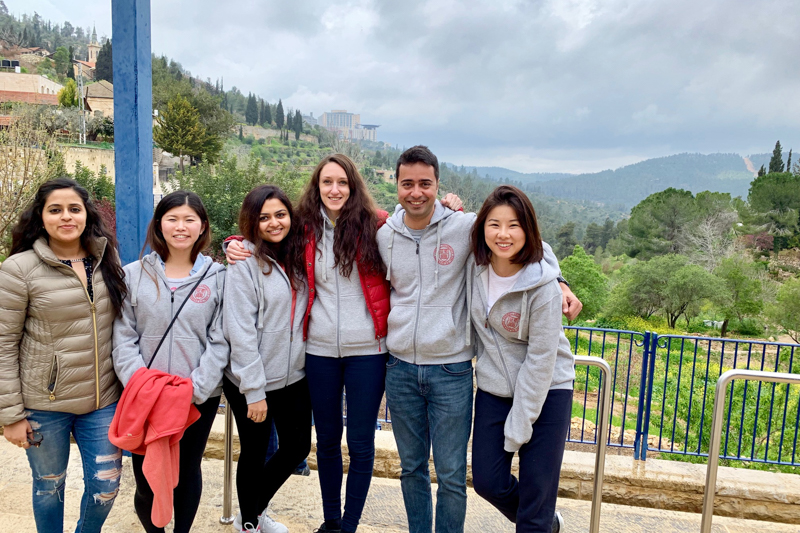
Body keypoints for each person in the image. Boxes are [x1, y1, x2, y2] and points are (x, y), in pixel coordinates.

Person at [224, 154, 464, 533]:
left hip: (368, 352)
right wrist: (233, 243)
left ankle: (349, 525)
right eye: (326, 182)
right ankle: (331, 520)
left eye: (342, 183)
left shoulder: (378, 226)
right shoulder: (303, 228)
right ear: (317, 187)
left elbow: (418, 223)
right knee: (328, 441)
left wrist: (448, 207)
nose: (334, 189)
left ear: (353, 187)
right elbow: (265, 233)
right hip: (317, 352)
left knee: (361, 443)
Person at [376, 146, 580, 533]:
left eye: (425, 183)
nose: (416, 192)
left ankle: (538, 521)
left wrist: (559, 279)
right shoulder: (386, 234)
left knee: (456, 477)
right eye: (407, 183)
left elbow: (531, 243)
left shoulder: (461, 226)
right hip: (408, 368)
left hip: (460, 370)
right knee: (426, 471)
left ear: (438, 185)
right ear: (397, 186)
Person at [0, 177, 128, 533]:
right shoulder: (18, 270)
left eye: (74, 209)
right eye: (55, 210)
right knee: (49, 485)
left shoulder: (104, 259)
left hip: (102, 401)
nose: (66, 217)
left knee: (106, 486)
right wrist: (10, 415)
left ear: (87, 214)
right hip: (44, 404)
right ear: (41, 218)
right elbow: (3, 345)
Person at [111, 191, 229, 533]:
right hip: (143, 396)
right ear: (159, 225)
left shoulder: (218, 277)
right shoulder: (133, 275)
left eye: (190, 219)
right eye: (172, 218)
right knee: (146, 474)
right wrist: (141, 383)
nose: (181, 227)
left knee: (187, 471)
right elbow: (123, 334)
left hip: (195, 396)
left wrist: (197, 387)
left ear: (202, 226)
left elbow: (221, 337)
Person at [468, 185, 575, 533]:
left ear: (527, 230)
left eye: (514, 225)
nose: (503, 234)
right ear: (482, 227)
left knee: (536, 491)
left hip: (548, 390)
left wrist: (519, 426)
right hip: (495, 387)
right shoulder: (474, 267)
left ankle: (538, 520)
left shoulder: (543, 287)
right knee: (487, 480)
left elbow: (542, 359)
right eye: (494, 224)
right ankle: (544, 521)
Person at [223, 185, 311, 533]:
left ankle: (253, 514)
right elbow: (240, 330)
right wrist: (254, 391)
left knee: (297, 446)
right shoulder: (244, 262)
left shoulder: (299, 254)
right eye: (264, 217)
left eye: (280, 214)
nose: (274, 223)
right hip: (250, 379)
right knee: (256, 451)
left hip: (292, 375)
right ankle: (250, 525)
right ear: (252, 222)